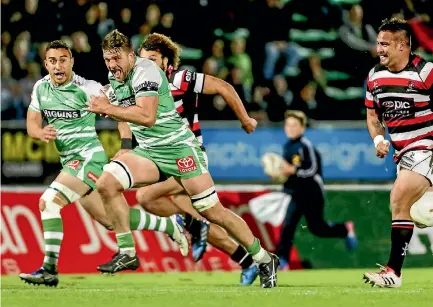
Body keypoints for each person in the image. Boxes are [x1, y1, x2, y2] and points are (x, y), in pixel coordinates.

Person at [85, 30, 279, 288]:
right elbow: (121, 109)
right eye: (107, 60)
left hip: (182, 151)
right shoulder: (117, 75)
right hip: (150, 152)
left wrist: (245, 119)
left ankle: (263, 258)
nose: (111, 65)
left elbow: (147, 116)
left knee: (213, 212)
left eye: (116, 59)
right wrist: (124, 143)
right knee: (108, 184)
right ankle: (128, 252)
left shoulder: (164, 76)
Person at [19, 40, 189, 287]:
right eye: (53, 61)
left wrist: (125, 146)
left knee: (48, 203)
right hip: (69, 162)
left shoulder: (87, 88)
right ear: (46, 64)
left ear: (71, 62)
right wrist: (40, 132)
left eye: (63, 60)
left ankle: (49, 269)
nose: (58, 66)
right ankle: (169, 225)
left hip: (89, 158)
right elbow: (31, 123)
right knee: (111, 221)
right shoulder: (40, 88)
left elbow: (119, 110)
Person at [134, 33, 259, 285]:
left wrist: (245, 119)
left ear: (167, 63)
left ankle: (197, 227)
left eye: (153, 59)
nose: (146, 65)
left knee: (146, 197)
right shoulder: (139, 86)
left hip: (189, 158)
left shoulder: (179, 78)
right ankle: (249, 262)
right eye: (143, 60)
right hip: (165, 158)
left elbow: (224, 86)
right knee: (210, 217)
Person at [363, 17, 433, 288]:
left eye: (385, 44)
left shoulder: (425, 72)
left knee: (399, 197)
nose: (379, 49)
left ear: (403, 45)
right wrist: (378, 138)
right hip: (402, 153)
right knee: (404, 208)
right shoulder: (374, 77)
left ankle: (393, 272)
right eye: (379, 43)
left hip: (426, 145)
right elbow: (372, 115)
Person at [274, 110, 357, 270]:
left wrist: (293, 171)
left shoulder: (306, 146)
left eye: (294, 125)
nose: (290, 128)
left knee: (317, 228)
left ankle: (344, 229)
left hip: (312, 193)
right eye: (288, 125)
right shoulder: (288, 147)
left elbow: (312, 169)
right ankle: (282, 261)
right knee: (288, 226)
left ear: (302, 128)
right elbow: (288, 173)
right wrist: (280, 176)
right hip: (296, 193)